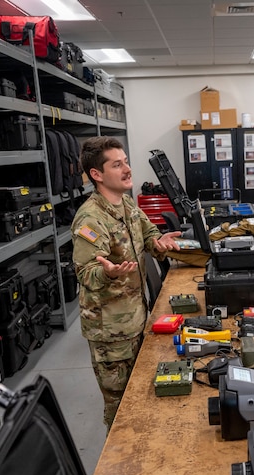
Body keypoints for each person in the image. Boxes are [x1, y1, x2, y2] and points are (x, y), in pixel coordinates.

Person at [72, 136, 181, 429]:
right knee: (120, 411)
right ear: (97, 174)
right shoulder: (91, 219)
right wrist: (108, 273)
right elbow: (84, 273)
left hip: (135, 318)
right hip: (110, 332)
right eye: (117, 164)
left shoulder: (127, 204)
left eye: (126, 162)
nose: (127, 169)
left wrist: (159, 242)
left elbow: (148, 235)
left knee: (139, 399)